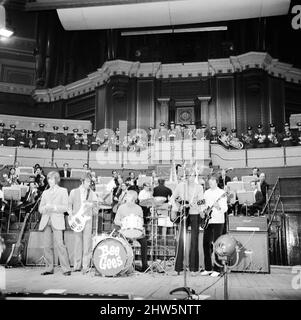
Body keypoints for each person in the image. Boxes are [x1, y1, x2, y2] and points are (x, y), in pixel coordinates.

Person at [169, 169, 204, 276]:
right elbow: (172, 198)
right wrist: (175, 208)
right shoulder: (180, 186)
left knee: (194, 240)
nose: (191, 178)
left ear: (195, 176)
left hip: (195, 214)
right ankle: (177, 268)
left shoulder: (199, 187)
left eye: (193, 176)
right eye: (189, 176)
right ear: (186, 176)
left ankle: (194, 268)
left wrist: (196, 204)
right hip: (183, 213)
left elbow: (202, 201)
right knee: (181, 240)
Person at [38, 171, 71, 276]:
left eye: (52, 179)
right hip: (46, 220)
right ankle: (49, 268)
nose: (50, 181)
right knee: (47, 246)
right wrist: (45, 208)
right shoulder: (45, 192)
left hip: (57, 220)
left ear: (56, 179)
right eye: (48, 179)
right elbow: (40, 208)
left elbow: (65, 207)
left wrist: (54, 207)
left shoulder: (63, 191)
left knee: (60, 245)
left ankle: (66, 269)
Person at [68, 174, 98, 274]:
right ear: (83, 181)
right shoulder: (73, 192)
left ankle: (85, 266)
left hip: (88, 221)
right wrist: (71, 214)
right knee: (77, 243)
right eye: (88, 182)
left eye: (90, 182)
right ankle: (77, 266)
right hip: (77, 221)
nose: (89, 184)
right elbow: (69, 205)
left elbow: (96, 209)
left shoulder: (92, 193)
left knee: (87, 244)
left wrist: (92, 206)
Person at [114, 190, 148, 272]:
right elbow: (116, 220)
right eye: (128, 197)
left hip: (136, 232)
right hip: (124, 231)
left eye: (130, 198)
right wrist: (122, 223)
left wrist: (142, 229)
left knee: (144, 242)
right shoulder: (121, 207)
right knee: (121, 242)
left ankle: (144, 265)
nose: (127, 198)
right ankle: (123, 264)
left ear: (134, 199)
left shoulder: (139, 208)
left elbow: (141, 222)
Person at [201, 175, 228, 277]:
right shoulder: (206, 192)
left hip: (218, 221)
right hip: (208, 221)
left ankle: (218, 269)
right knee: (206, 244)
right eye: (209, 181)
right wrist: (202, 210)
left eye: (212, 181)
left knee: (218, 245)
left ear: (216, 182)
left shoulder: (222, 193)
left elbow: (225, 208)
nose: (210, 182)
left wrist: (219, 207)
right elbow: (203, 203)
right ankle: (208, 268)